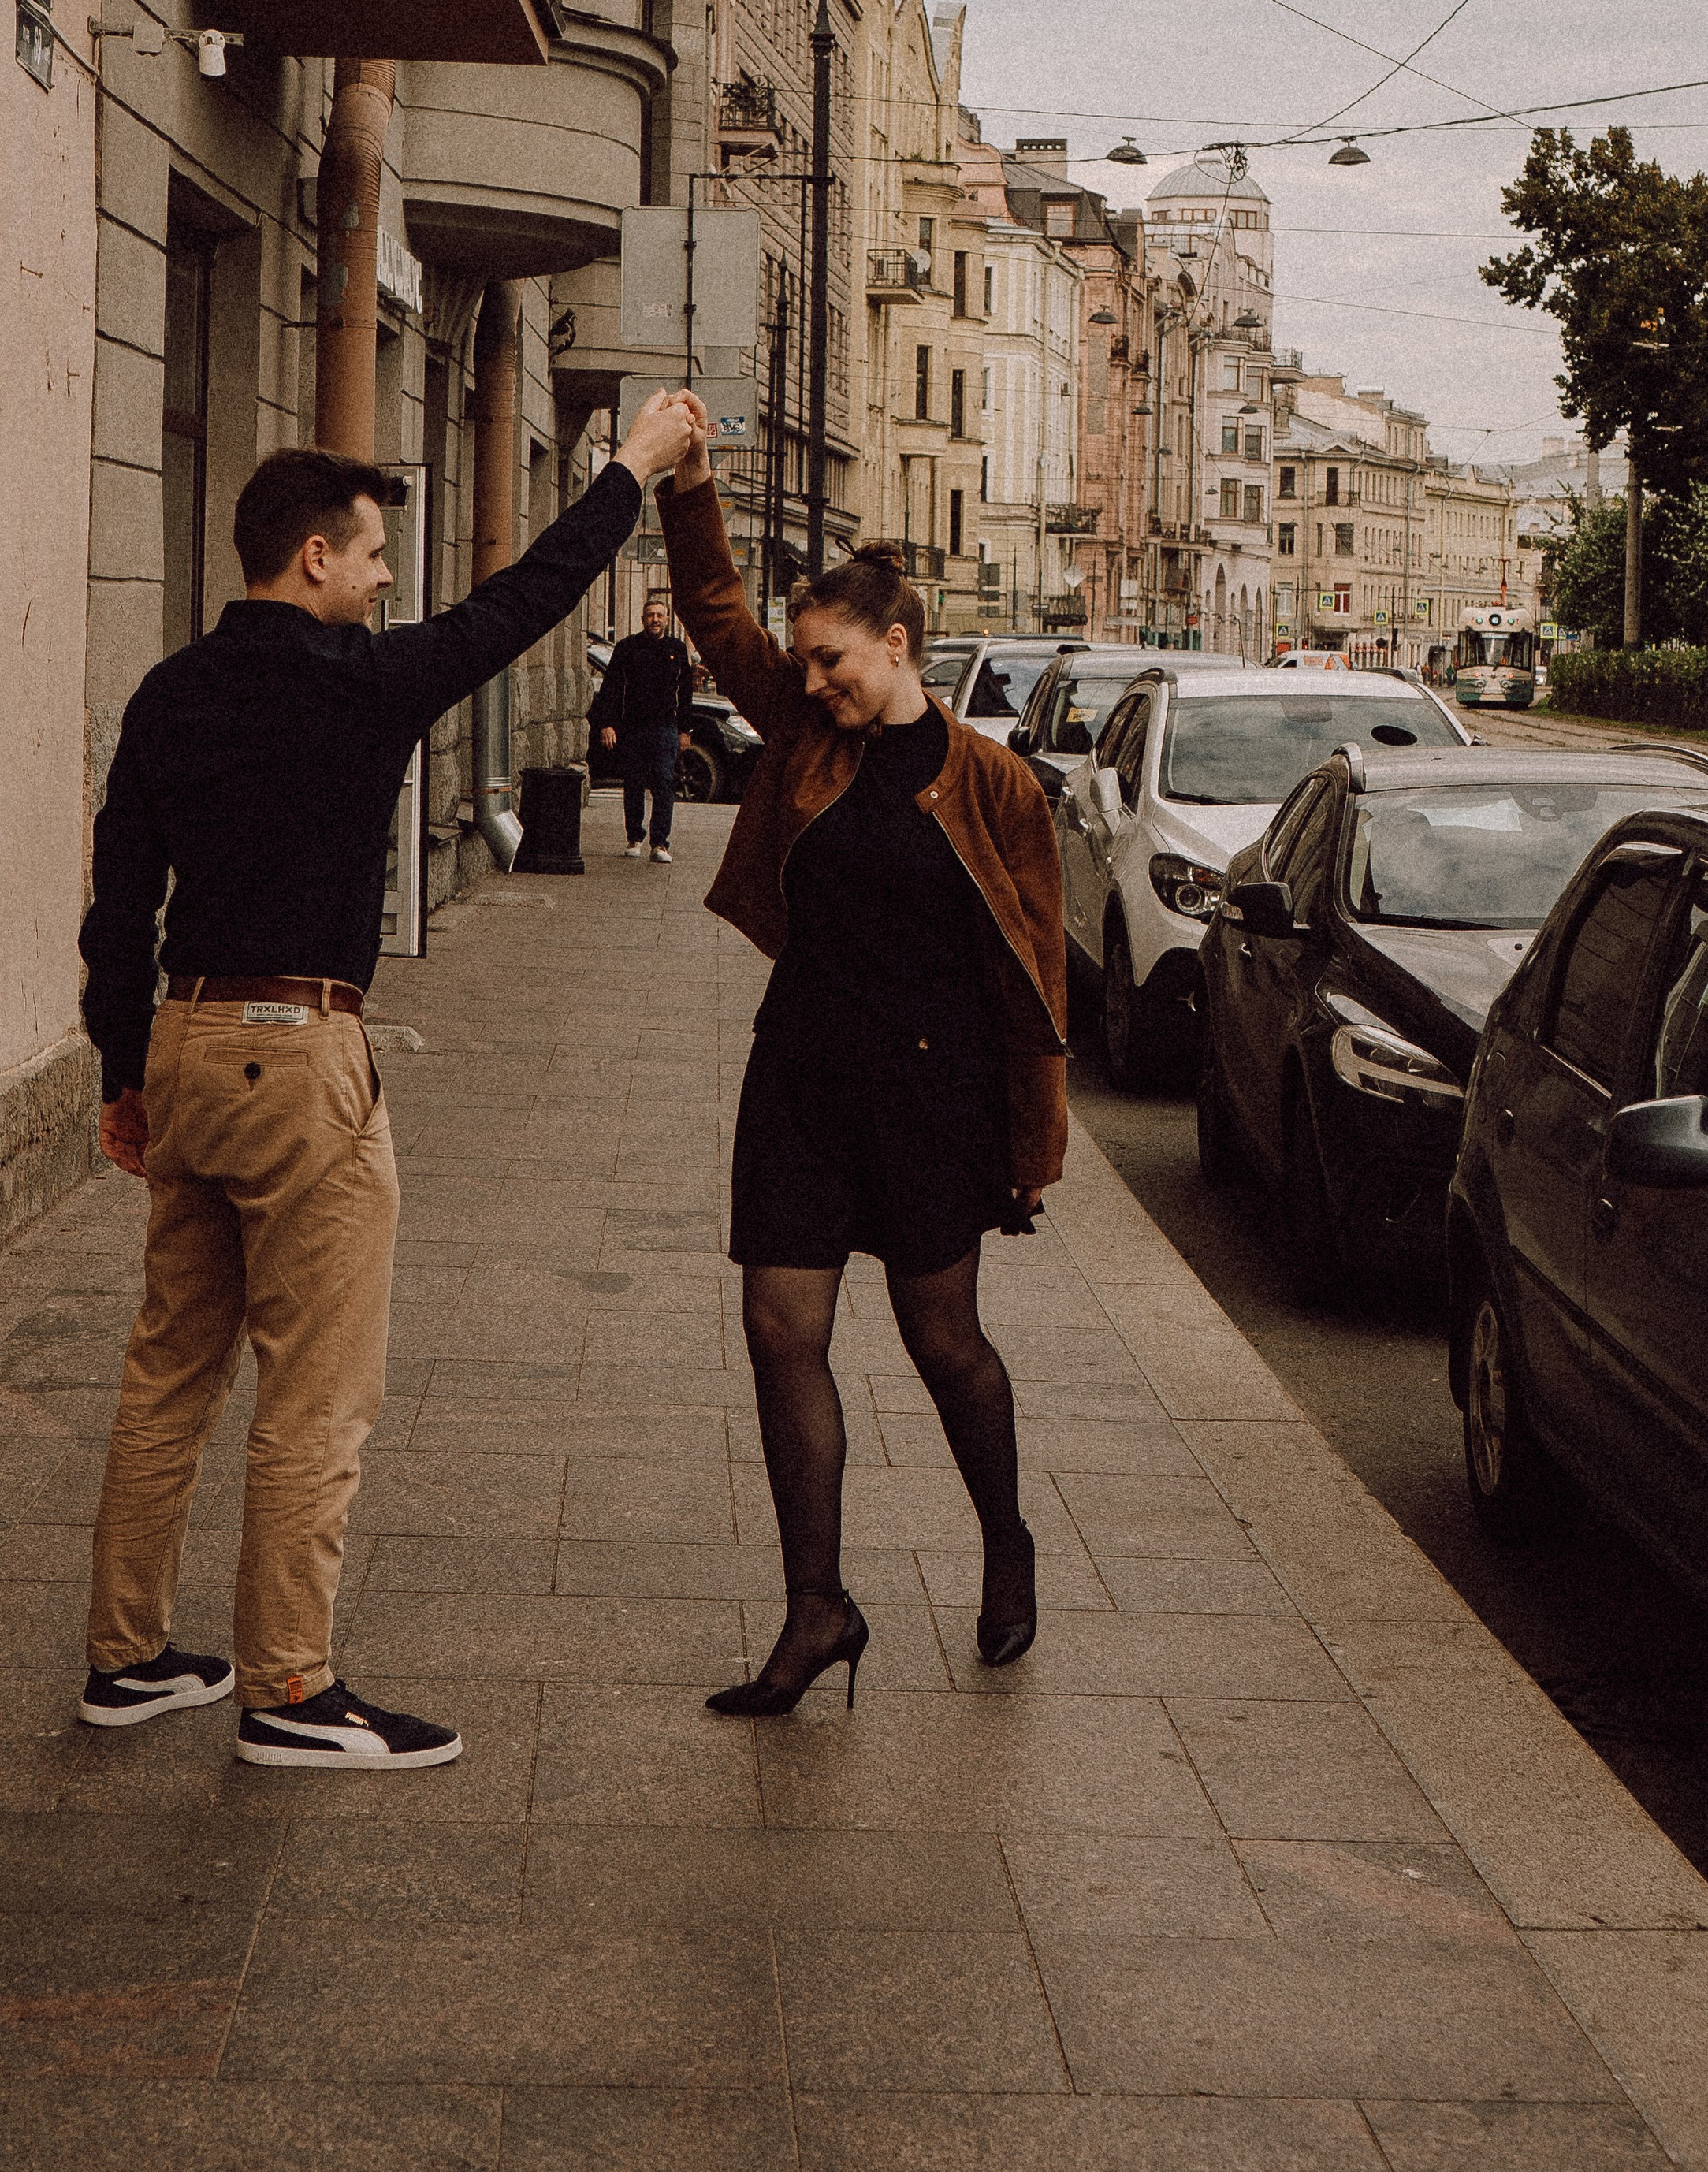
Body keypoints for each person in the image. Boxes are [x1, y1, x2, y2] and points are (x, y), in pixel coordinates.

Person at [76, 388, 700, 1769]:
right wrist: (631, 472)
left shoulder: (170, 692)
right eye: (366, 556)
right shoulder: (364, 683)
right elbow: (530, 598)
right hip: (302, 1057)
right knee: (316, 1391)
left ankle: (126, 1660)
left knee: (169, 1368)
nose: (378, 578)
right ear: (312, 557)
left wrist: (127, 1070)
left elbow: (121, 903)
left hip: (184, 1045)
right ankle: (291, 1693)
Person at [656, 396, 1067, 1715]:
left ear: (897, 646)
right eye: (809, 664)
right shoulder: (804, 735)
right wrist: (690, 490)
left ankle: (1005, 1542)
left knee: (945, 1341)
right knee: (782, 1328)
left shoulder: (997, 785)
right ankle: (818, 1609)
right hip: (803, 1077)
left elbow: (1037, 977)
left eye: (835, 660)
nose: (816, 680)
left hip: (934, 1088)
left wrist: (1032, 1145)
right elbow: (720, 618)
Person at [597, 590, 692, 861]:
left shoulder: (676, 649)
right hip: (633, 728)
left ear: (667, 619)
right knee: (634, 783)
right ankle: (634, 837)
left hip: (665, 728)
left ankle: (660, 844)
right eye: (650, 615)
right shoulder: (627, 648)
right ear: (642, 619)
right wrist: (608, 724)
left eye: (660, 616)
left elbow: (686, 693)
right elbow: (612, 688)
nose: (655, 620)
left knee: (664, 783)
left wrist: (685, 730)